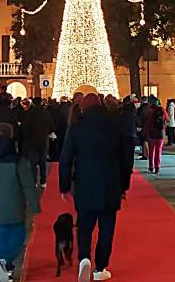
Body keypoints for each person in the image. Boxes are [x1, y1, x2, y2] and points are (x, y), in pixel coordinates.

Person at [59, 94, 132, 282]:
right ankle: (100, 267)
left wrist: (64, 186)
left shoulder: (77, 127)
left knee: (84, 225)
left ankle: (84, 258)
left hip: (85, 184)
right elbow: (126, 159)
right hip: (110, 183)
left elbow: (65, 159)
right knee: (107, 228)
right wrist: (124, 186)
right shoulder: (115, 125)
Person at [0, 123, 40, 282]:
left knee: (2, 236)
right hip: (14, 204)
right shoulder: (17, 161)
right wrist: (35, 205)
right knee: (18, 236)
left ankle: (5, 270)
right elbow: (27, 184)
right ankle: (4, 261)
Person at [20, 97, 54, 187]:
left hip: (32, 140)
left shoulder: (29, 113)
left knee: (33, 162)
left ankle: (34, 181)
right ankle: (43, 181)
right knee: (43, 161)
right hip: (43, 140)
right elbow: (51, 126)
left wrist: (26, 137)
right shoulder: (46, 113)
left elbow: (25, 127)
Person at [144, 98, 167, 175]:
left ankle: (151, 166)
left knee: (151, 150)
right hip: (160, 132)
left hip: (151, 133)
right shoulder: (162, 110)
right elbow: (167, 119)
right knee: (158, 150)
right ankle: (157, 166)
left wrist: (146, 133)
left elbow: (147, 123)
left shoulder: (149, 111)